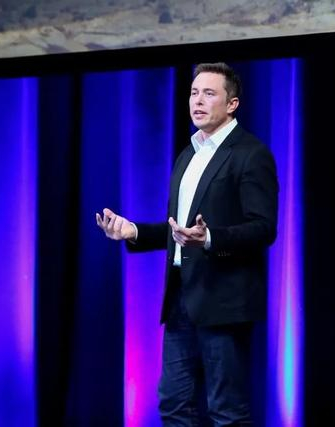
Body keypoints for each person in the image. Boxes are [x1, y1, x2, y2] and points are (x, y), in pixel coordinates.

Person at [96, 62, 278, 426]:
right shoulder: (188, 154)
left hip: (224, 300)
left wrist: (210, 238)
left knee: (226, 410)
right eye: (194, 93)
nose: (198, 101)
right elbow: (177, 230)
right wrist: (134, 231)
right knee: (174, 404)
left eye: (209, 93)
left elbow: (263, 228)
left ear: (232, 104)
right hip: (182, 298)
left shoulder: (251, 154)